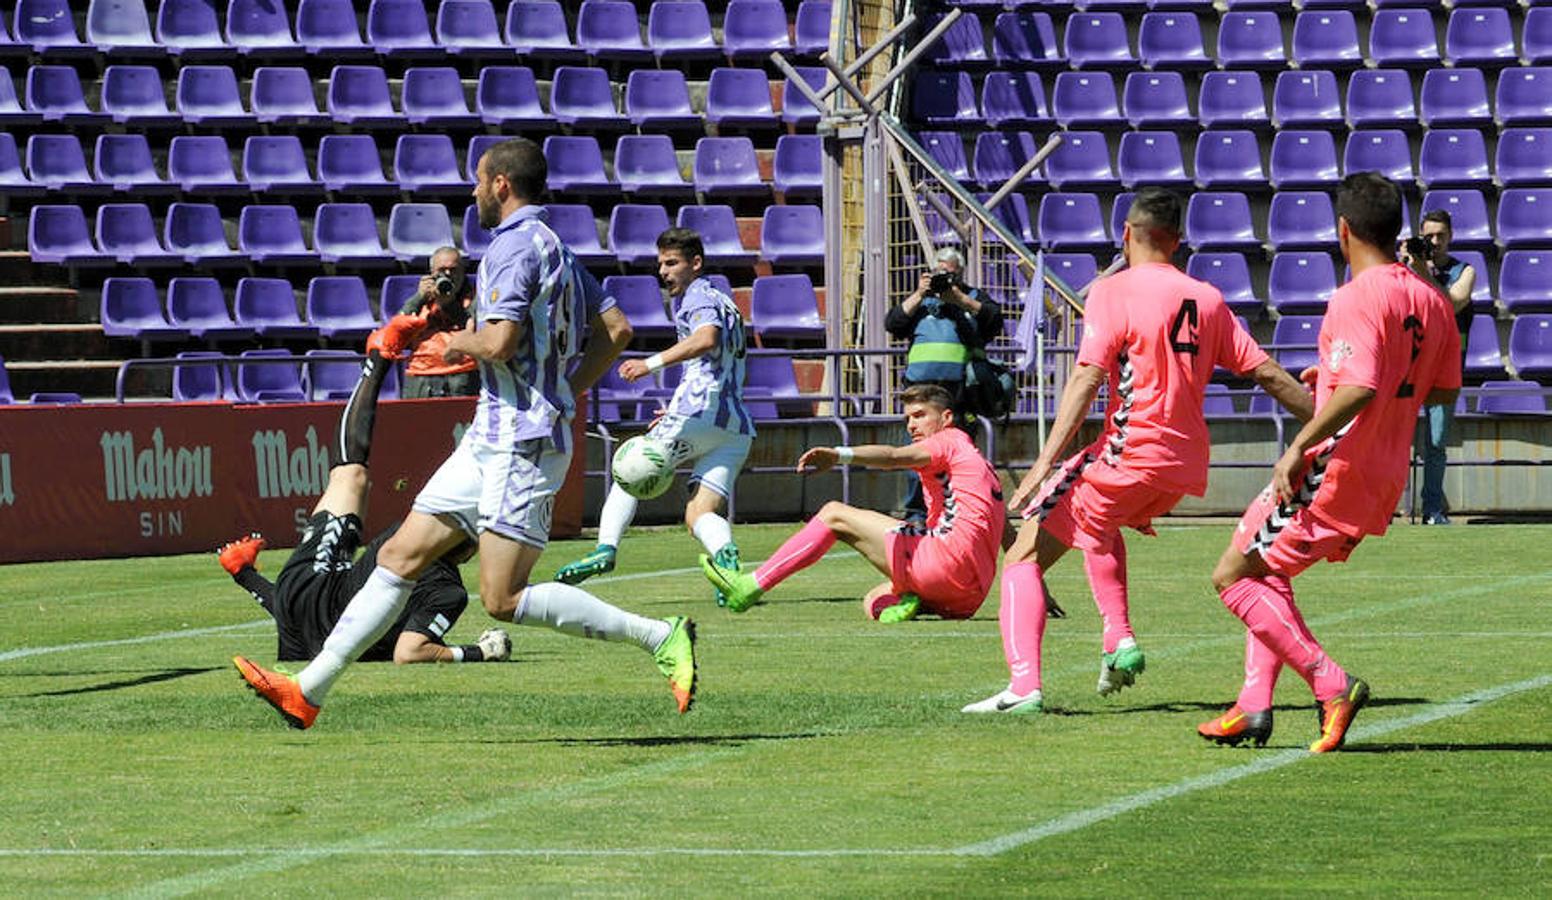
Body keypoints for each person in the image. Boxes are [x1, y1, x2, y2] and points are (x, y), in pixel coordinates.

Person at [234, 138, 698, 729]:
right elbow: (617, 329)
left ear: (502, 184)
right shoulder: (556, 246)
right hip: (494, 435)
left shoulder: (508, 248)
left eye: (479, 180)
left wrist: (451, 342)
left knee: (502, 598)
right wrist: (564, 390)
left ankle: (661, 635)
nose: (474, 191)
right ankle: (309, 689)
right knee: (400, 556)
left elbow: (499, 341)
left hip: (519, 445)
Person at [962, 188, 1314, 715]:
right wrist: (1328, 419)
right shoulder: (1209, 298)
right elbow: (1265, 373)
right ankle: (1113, 646)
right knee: (1086, 518)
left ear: (1126, 235)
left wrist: (1041, 462)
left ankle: (1034, 683)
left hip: (1131, 451)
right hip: (1186, 466)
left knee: (1023, 552)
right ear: (1178, 241)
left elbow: (1086, 377)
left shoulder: (1113, 292)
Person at [1200, 173, 1461, 752]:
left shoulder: (1354, 296)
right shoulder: (1430, 299)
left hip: (1335, 465)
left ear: (1342, 230)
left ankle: (1331, 683)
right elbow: (1439, 391)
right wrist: (1335, 383)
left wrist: (1297, 446)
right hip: (1386, 473)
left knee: (1232, 576)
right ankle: (1252, 706)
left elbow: (1363, 386)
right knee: (1270, 573)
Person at [216, 342, 508, 666]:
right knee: (331, 614)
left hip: (308, 590)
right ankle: (241, 570)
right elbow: (408, 652)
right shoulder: (448, 593)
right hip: (316, 638)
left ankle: (377, 361)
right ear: (470, 549)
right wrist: (480, 652)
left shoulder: (403, 535)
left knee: (351, 477)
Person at [554, 228, 753, 604]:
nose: (663, 271)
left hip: (701, 411)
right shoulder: (724, 300)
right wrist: (678, 407)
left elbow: (706, 339)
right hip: (734, 426)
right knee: (698, 513)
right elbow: (716, 365)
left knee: (627, 469)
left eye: (672, 262)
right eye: (660, 263)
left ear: (696, 263)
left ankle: (605, 550)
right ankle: (727, 562)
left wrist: (650, 363)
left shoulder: (696, 298)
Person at [700, 383, 1005, 624]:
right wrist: (1032, 587)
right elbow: (1008, 534)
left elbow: (894, 457)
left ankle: (750, 586)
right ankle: (918, 599)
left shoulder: (946, 441)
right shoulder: (982, 466)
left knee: (834, 514)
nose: (911, 425)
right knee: (873, 598)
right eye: (907, 418)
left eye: (920, 415)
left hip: (943, 563)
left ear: (947, 418)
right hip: (969, 598)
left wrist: (839, 455)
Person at [886, 247, 1003, 523]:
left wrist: (959, 299)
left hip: (959, 397)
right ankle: (916, 514)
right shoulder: (922, 303)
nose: (943, 279)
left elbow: (994, 319)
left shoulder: (971, 298)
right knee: (916, 456)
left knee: (957, 458)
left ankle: (959, 511)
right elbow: (893, 323)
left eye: (949, 273)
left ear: (960, 273)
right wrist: (919, 293)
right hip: (920, 393)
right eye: (939, 272)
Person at [1400, 210, 1475, 525]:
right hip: (1409, 363)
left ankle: (1432, 509)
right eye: (1428, 236)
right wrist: (1406, 266)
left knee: (1436, 440)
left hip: (1445, 366)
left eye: (1441, 235)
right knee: (1394, 438)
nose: (1434, 242)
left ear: (1451, 236)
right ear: (1420, 235)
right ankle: (1390, 504)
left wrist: (1424, 273)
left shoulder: (1465, 270)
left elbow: (1453, 303)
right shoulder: (1407, 269)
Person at [399, 246, 480, 399]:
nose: (448, 275)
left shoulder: (476, 297)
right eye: (442, 270)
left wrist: (448, 304)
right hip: (420, 376)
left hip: (462, 374)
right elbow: (397, 331)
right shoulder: (423, 298)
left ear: (463, 272)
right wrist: (418, 298)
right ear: (432, 273)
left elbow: (473, 328)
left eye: (454, 270)